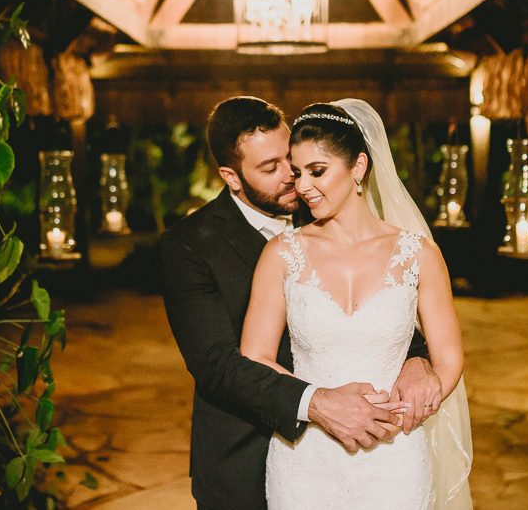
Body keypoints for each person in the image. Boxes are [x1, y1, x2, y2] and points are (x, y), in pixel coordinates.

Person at [160, 96, 442, 509]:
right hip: (243, 456)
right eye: (270, 169)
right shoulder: (188, 245)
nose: (293, 179)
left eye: (290, 161)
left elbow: (377, 306)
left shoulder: (326, 208)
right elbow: (217, 365)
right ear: (231, 176)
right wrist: (317, 402)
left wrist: (417, 358)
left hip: (365, 453)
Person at [240, 99, 473, 509]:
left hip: (395, 459)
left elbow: (449, 358)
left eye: (317, 171)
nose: (303, 186)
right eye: (297, 174)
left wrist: (407, 413)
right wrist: (316, 402)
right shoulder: (281, 254)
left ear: (359, 167)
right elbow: (254, 355)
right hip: (306, 460)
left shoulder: (419, 254)